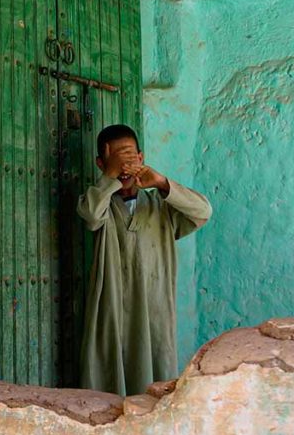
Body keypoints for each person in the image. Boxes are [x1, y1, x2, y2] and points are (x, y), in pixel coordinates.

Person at [77, 124, 212, 396]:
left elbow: (202, 211)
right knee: (106, 388)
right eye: (116, 161)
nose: (125, 167)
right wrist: (111, 178)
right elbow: (91, 216)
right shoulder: (98, 202)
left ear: (141, 159)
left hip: (154, 314)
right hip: (111, 312)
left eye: (130, 159)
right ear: (102, 164)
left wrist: (162, 183)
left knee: (156, 385)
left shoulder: (162, 207)